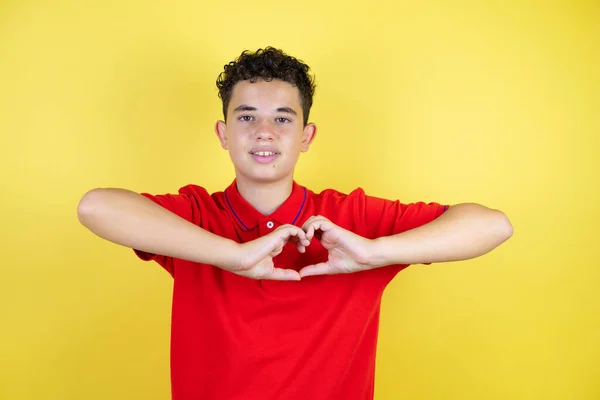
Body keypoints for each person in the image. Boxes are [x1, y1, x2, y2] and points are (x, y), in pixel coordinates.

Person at [77, 47, 513, 400]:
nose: (264, 132)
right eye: (246, 117)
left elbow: (493, 226)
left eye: (282, 119)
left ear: (306, 136)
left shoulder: (354, 220)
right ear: (223, 133)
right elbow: (96, 207)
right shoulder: (194, 219)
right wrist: (232, 255)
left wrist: (376, 252)